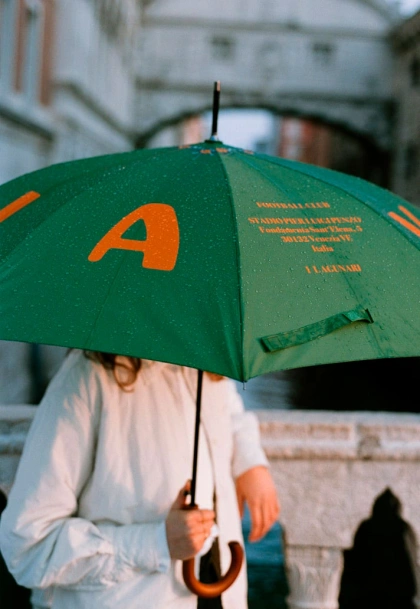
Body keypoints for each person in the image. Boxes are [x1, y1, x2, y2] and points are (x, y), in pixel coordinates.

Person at [0, 350, 280, 609]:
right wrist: (156, 542)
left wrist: (250, 461)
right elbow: (29, 546)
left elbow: (229, 407)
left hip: (220, 589)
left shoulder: (203, 361)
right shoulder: (84, 379)